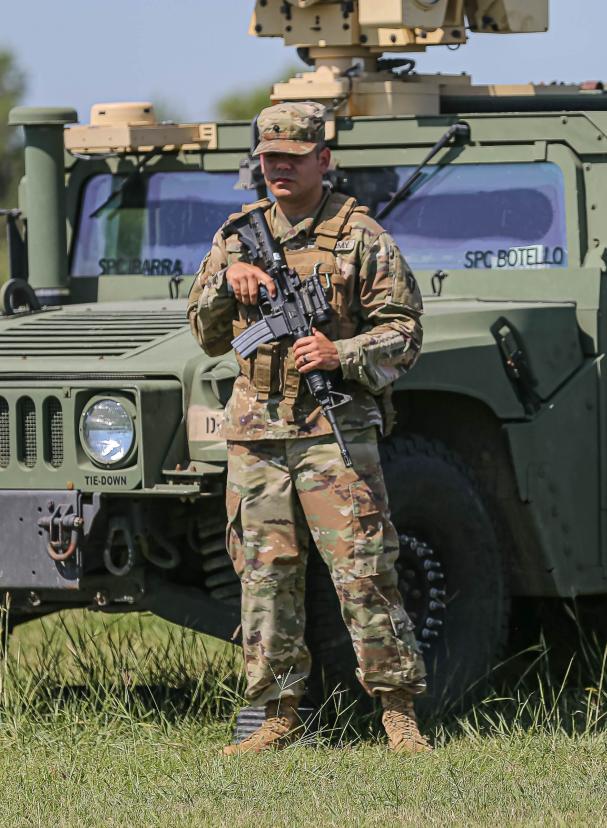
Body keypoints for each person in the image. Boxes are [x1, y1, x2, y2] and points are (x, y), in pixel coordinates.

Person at [187, 101, 430, 755]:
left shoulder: (361, 236)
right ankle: (277, 713)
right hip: (257, 435)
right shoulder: (236, 237)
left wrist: (340, 355)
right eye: (269, 160)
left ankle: (397, 712)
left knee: (364, 570)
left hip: (333, 429)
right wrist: (223, 284)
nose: (280, 170)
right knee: (264, 573)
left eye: (293, 159)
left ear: (324, 159)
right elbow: (205, 335)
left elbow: (405, 333)